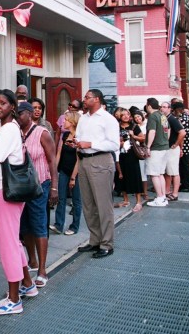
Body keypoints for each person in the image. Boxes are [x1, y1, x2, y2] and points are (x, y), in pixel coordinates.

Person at [0, 90, 39, 315]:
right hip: (9, 193)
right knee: (14, 241)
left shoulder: (6, 130)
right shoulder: (10, 129)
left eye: (3, 103)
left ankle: (13, 299)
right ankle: (27, 284)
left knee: (7, 245)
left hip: (5, 192)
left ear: (13, 106)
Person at [74, 89, 119, 258]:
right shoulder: (83, 118)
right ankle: (95, 240)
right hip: (84, 160)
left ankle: (107, 243)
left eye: (87, 97)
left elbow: (114, 144)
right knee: (89, 204)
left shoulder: (108, 119)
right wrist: (77, 143)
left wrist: (90, 143)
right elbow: (79, 137)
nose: (84, 100)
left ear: (97, 99)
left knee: (103, 204)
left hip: (100, 160)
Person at [17, 101, 57, 288]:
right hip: (21, 186)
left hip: (40, 184)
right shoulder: (16, 133)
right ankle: (32, 260)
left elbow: (51, 160)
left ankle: (42, 270)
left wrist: (55, 188)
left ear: (29, 113)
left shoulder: (42, 133)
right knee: (25, 226)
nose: (17, 116)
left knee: (39, 224)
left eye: (20, 113)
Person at [51, 110, 82, 235]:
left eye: (66, 119)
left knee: (76, 200)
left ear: (72, 122)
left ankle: (74, 226)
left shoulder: (79, 137)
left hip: (76, 172)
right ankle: (59, 225)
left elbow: (79, 158)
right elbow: (58, 154)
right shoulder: (65, 136)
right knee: (61, 198)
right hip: (63, 170)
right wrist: (54, 171)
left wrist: (73, 177)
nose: (63, 121)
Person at [115, 108, 144, 211]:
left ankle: (138, 201)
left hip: (132, 154)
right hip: (120, 154)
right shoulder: (116, 127)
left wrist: (133, 136)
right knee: (122, 176)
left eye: (128, 114)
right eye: (124, 115)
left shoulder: (134, 126)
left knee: (135, 176)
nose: (126, 116)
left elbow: (142, 138)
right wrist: (119, 143)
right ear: (119, 116)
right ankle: (125, 199)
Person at [144, 98, 171, 207]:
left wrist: (148, 146)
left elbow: (152, 131)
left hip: (156, 148)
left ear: (149, 105)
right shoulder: (162, 116)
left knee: (154, 174)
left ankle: (159, 198)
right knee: (160, 174)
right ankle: (163, 197)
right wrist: (165, 140)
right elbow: (168, 130)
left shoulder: (152, 116)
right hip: (164, 147)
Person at [162, 101, 185, 200]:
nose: (162, 109)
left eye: (164, 107)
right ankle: (167, 191)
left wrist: (176, 144)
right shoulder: (165, 119)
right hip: (167, 148)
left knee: (174, 172)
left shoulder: (172, 119)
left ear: (169, 108)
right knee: (168, 172)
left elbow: (182, 132)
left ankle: (175, 193)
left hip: (172, 148)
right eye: (161, 107)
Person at [173, 103, 189, 193]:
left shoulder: (182, 119)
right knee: (184, 166)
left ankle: (186, 185)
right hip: (187, 145)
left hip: (184, 146)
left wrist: (180, 147)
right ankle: (185, 184)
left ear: (178, 109)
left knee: (184, 166)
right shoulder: (185, 118)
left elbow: (182, 134)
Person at [132, 110, 150, 200]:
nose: (137, 119)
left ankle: (145, 192)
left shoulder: (147, 125)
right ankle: (140, 190)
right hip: (137, 150)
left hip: (144, 149)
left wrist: (136, 137)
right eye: (135, 118)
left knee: (145, 171)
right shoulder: (135, 127)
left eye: (138, 116)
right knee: (141, 171)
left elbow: (145, 138)